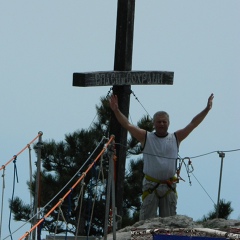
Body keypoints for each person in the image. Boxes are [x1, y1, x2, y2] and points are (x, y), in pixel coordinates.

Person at [109, 93, 214, 220]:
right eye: (159, 122)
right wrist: (116, 110)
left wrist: (207, 109)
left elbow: (193, 124)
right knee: (146, 224)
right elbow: (128, 125)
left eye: (164, 122)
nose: (161, 124)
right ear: (154, 124)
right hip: (150, 186)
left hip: (169, 186)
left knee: (169, 225)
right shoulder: (146, 137)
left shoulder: (176, 137)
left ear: (168, 123)